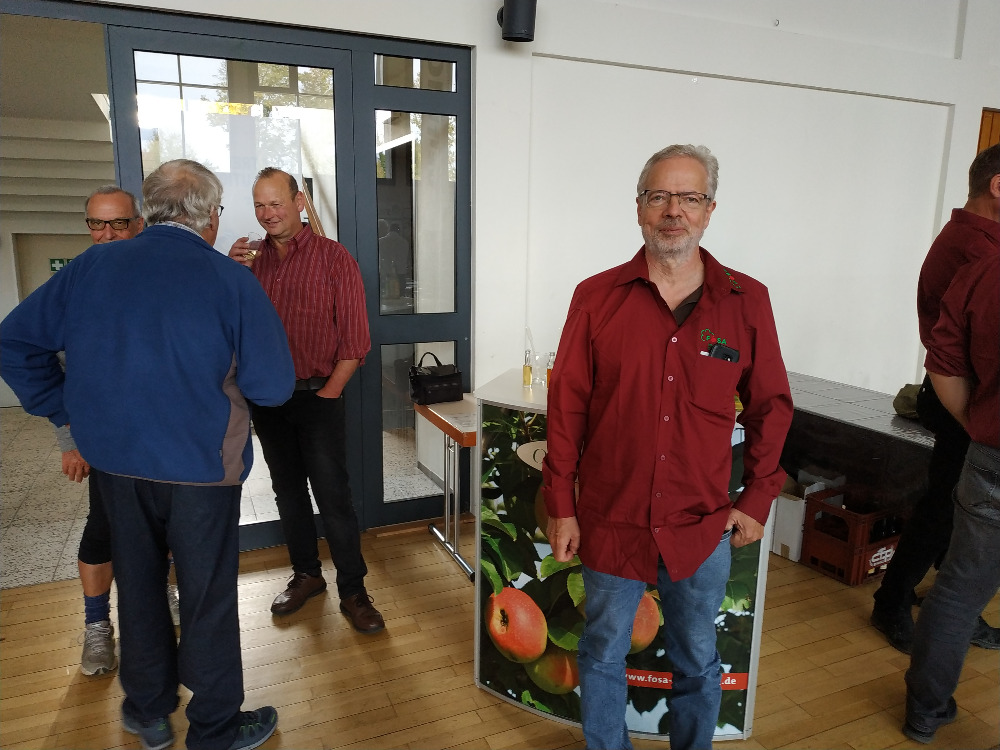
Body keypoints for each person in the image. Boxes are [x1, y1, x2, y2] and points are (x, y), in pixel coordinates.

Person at [1, 159, 293, 750]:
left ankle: (149, 713)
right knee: (206, 597)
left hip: (116, 465)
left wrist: (64, 410)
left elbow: (15, 341)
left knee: (137, 588)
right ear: (210, 217)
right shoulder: (231, 280)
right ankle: (214, 729)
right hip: (201, 470)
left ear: (149, 209)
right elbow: (272, 387)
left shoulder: (91, 267)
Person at [542, 144, 793, 750]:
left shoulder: (747, 302)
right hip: (612, 518)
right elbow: (567, 407)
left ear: (710, 210)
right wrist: (562, 505)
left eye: (689, 197)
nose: (673, 210)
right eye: (659, 196)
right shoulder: (596, 297)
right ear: (639, 208)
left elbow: (771, 407)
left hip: (700, 524)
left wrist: (757, 498)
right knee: (602, 651)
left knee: (698, 659)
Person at [228, 168, 384, 633]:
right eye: (259, 205)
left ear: (299, 202)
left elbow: (355, 341)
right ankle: (307, 575)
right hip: (267, 400)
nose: (267, 213)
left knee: (333, 496)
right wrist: (228, 273)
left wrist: (329, 393)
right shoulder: (249, 262)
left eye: (276, 203)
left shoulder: (334, 258)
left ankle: (353, 590)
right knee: (288, 492)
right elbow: (230, 327)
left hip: (318, 394)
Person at [871, 143, 1000, 653]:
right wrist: (974, 420)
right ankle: (892, 602)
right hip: (963, 404)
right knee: (945, 511)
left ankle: (951, 605)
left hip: (967, 401)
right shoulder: (978, 250)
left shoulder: (975, 239)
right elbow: (952, 350)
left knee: (957, 509)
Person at [903, 250, 1000, 744]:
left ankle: (925, 712)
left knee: (959, 588)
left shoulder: (985, 270)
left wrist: (977, 427)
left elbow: (941, 361)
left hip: (993, 453)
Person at [58, 186, 146, 677]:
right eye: (97, 224)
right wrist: (69, 439)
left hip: (158, 434)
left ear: (139, 225)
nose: (107, 234)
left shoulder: (156, 277)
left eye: (118, 223)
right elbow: (45, 361)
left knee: (165, 520)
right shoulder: (74, 284)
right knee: (103, 528)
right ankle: (97, 626)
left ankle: (166, 593)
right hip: (105, 440)